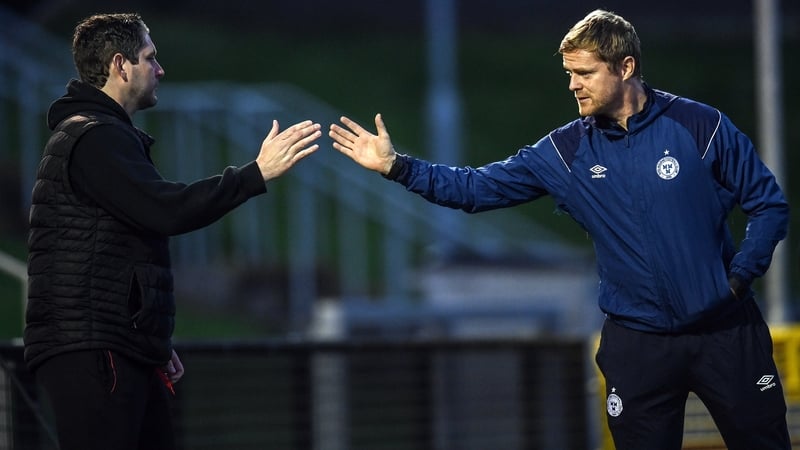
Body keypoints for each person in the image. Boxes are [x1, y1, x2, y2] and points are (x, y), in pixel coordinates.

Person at [329, 9, 790, 450]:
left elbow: (768, 204)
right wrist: (398, 167)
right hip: (638, 344)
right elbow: (474, 188)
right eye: (569, 73)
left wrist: (736, 280)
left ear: (626, 67)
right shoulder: (566, 152)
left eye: (585, 73)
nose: (573, 85)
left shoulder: (701, 126)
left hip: (725, 333)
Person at [24, 12, 321, 450]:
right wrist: (254, 174)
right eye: (150, 57)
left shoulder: (102, 136)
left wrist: (149, 337)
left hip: (117, 344)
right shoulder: (93, 138)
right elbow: (166, 209)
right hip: (95, 348)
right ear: (120, 65)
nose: (160, 69)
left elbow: (122, 246)